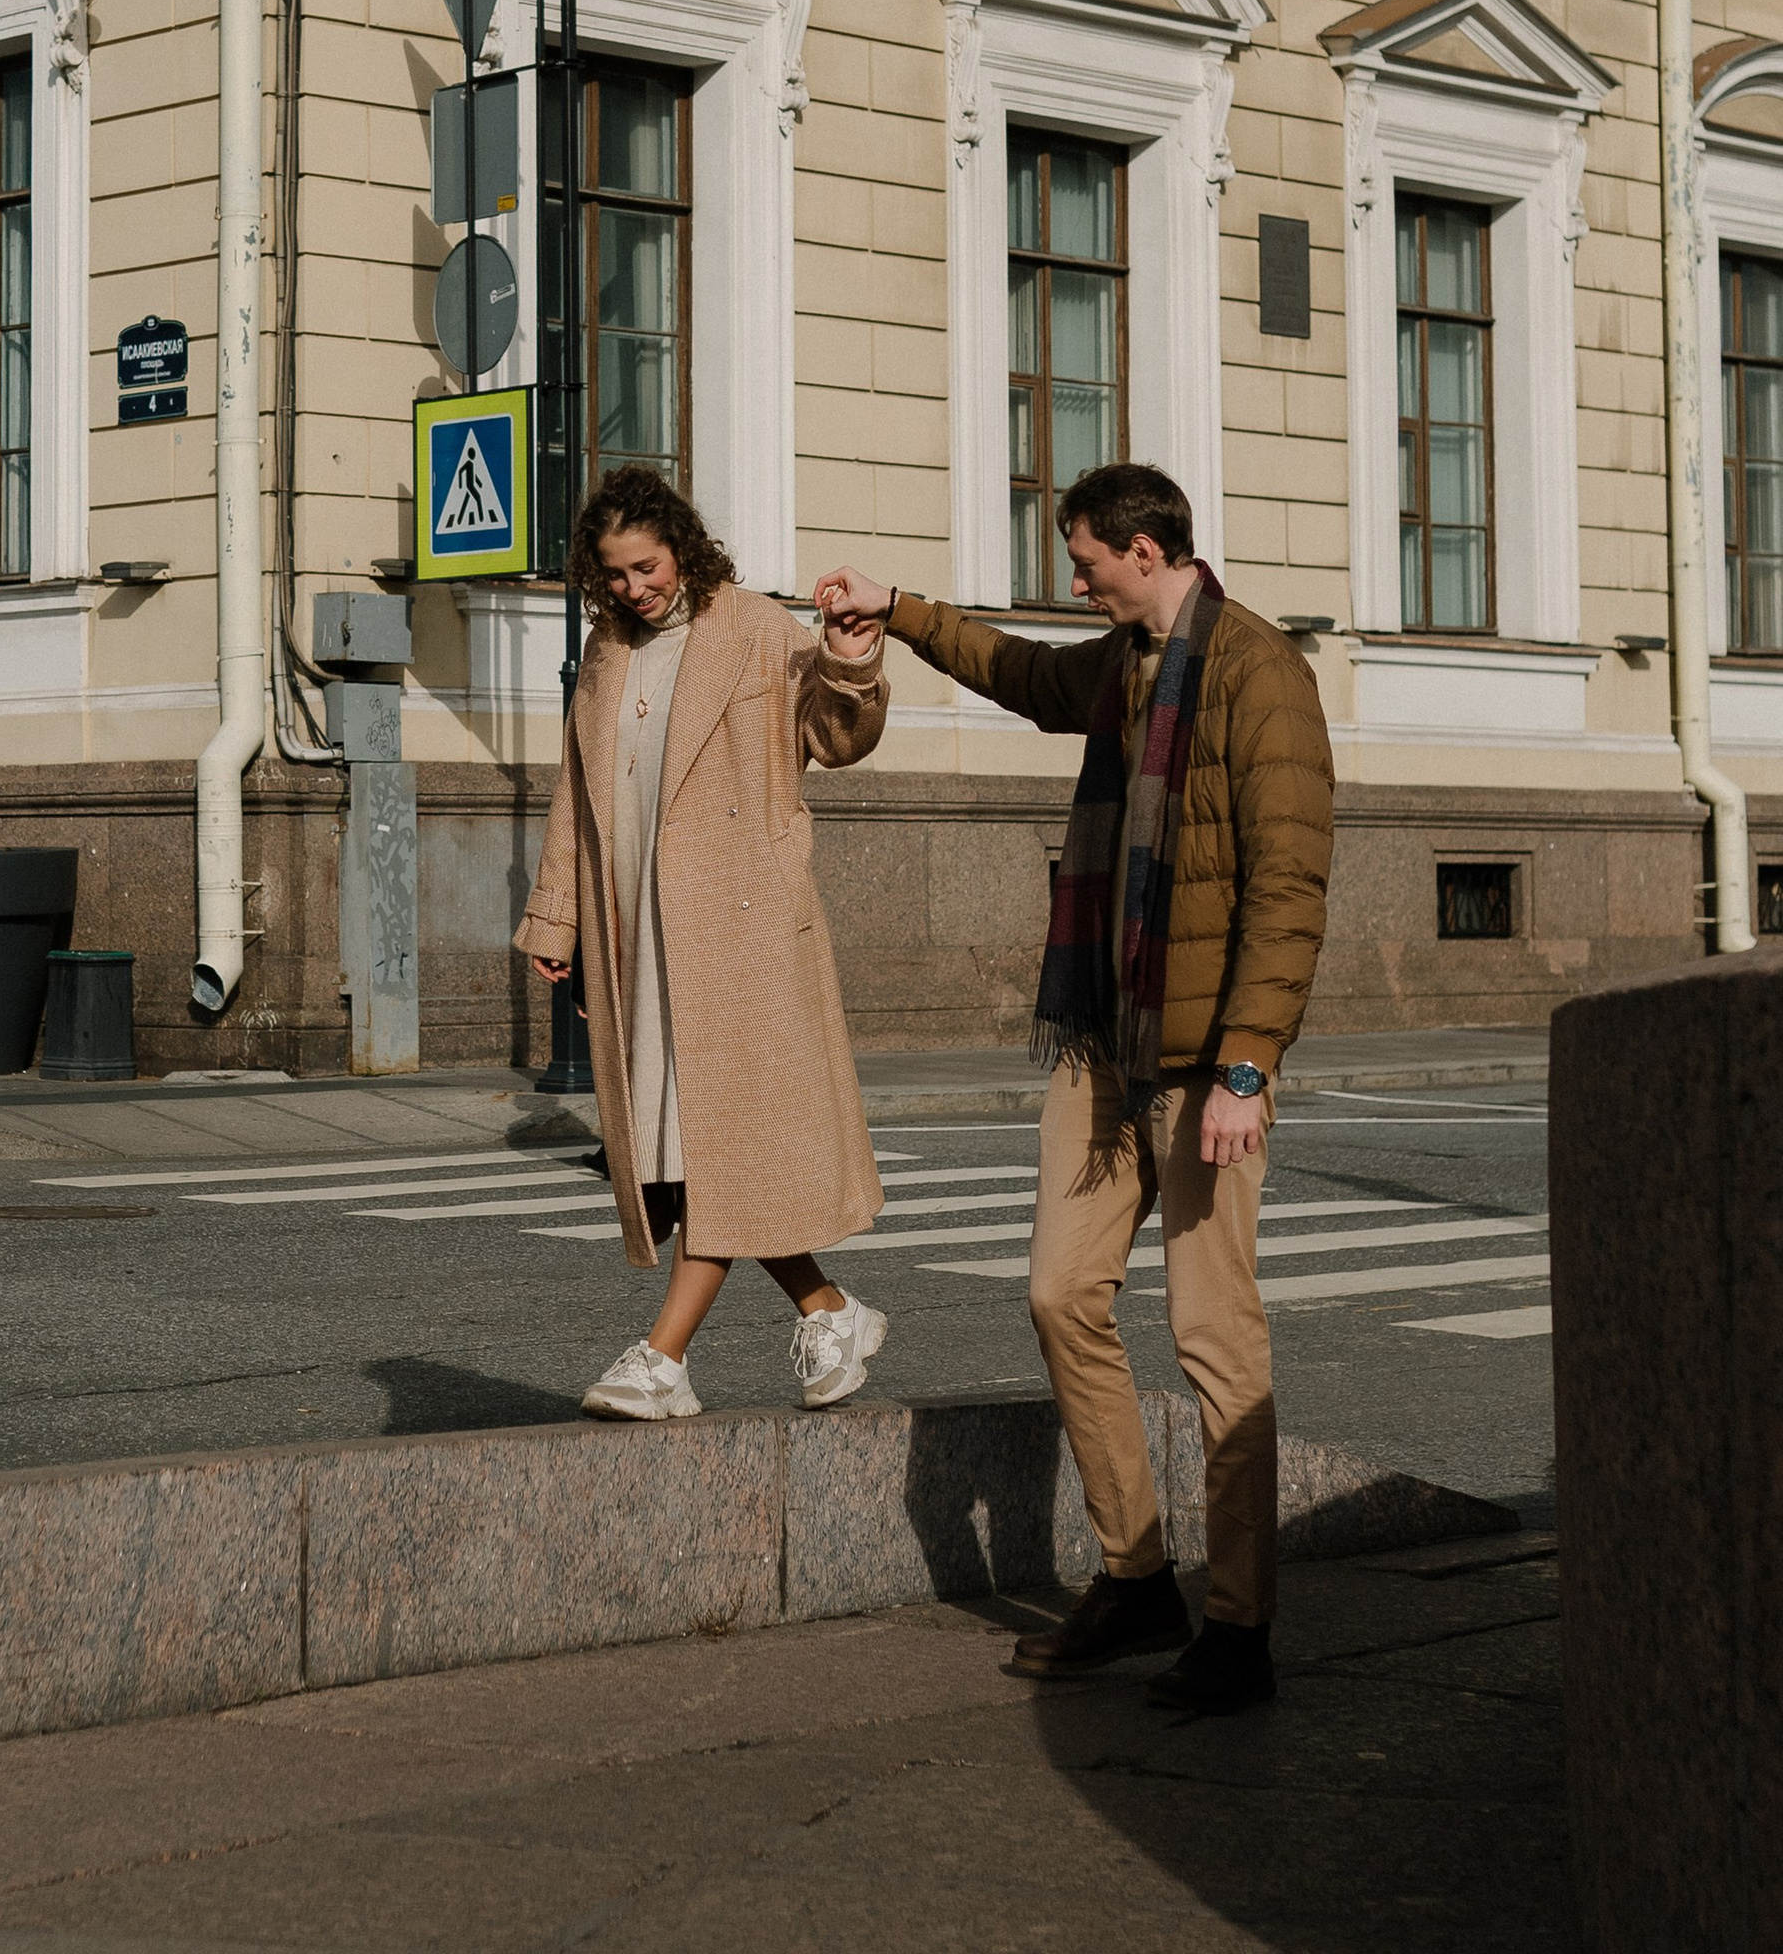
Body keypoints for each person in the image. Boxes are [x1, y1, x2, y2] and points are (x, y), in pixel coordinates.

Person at [816, 461, 1332, 1716]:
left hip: (1207, 1059)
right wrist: (901, 608)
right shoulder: (1118, 666)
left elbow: (1288, 886)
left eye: (1085, 559)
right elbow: (1021, 675)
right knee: (1059, 1294)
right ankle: (1135, 1570)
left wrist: (1248, 1066)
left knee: (1215, 1340)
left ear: (1145, 552)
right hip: (1106, 1041)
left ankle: (1239, 1623)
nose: (1075, 579)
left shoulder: (1257, 674)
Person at [514, 461, 894, 1421]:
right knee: (698, 1145)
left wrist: (852, 657)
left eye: (645, 567)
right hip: (639, 922)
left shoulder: (757, 628)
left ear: (680, 547)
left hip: (741, 930)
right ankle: (829, 1308)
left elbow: (837, 738)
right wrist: (558, 914)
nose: (633, 588)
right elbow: (579, 795)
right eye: (613, 575)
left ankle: (662, 1357)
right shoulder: (606, 652)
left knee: (714, 1144)